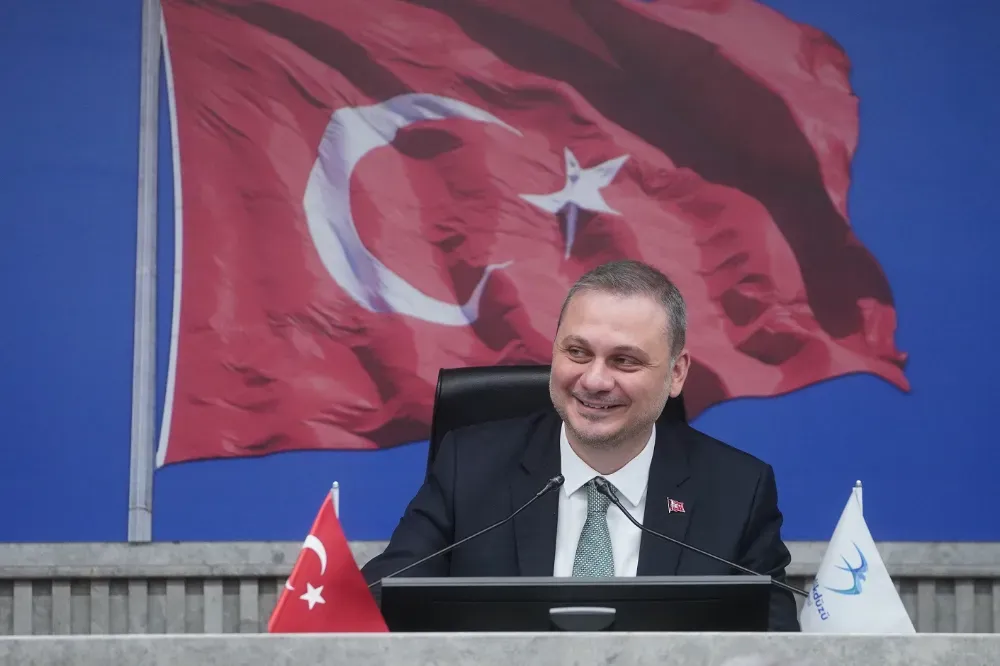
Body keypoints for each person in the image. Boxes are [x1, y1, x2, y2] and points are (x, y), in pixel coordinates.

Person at [361, 259, 799, 631]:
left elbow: (779, 648)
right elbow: (378, 601)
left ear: (677, 373)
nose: (594, 380)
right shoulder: (470, 467)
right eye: (577, 352)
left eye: (624, 360)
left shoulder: (738, 490)